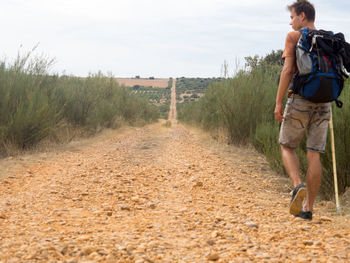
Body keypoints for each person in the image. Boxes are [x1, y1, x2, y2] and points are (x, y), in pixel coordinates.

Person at [274, 0, 331, 221]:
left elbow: (288, 70)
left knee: (287, 146)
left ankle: (298, 186)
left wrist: (278, 102)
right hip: (324, 102)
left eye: (292, 17)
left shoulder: (294, 37)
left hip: (300, 100)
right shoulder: (327, 38)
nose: (290, 23)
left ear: (303, 16)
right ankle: (308, 209)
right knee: (314, 153)